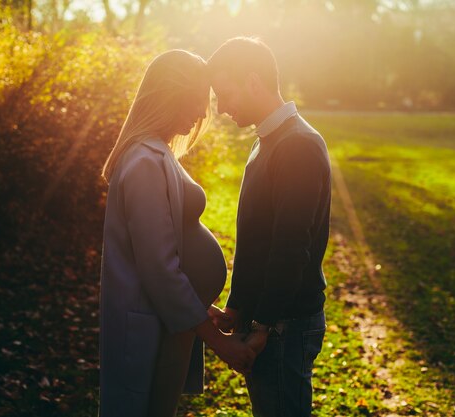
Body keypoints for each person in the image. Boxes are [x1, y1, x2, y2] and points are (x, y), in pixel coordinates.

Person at [99, 49, 255, 417]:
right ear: (171, 97)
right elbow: (158, 268)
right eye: (196, 101)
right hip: (150, 329)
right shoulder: (143, 163)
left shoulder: (158, 153)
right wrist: (220, 343)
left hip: (171, 323)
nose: (202, 113)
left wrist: (203, 307)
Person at [207, 37, 332, 417]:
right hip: (269, 319)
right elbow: (259, 239)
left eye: (225, 93)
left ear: (253, 81)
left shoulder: (296, 145)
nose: (222, 107)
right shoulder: (267, 139)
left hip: (285, 324)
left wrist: (263, 325)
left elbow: (292, 247)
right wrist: (238, 308)